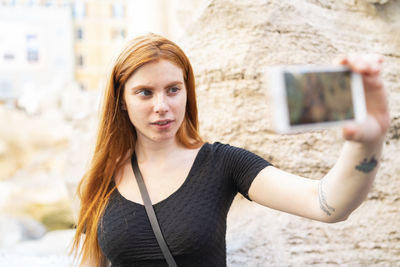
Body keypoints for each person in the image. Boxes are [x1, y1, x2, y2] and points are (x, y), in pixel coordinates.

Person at [71, 33, 390, 266]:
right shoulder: (100, 180)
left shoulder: (222, 163)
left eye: (173, 90)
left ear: (187, 92)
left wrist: (368, 141)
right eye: (144, 93)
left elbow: (326, 204)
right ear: (122, 101)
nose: (162, 106)